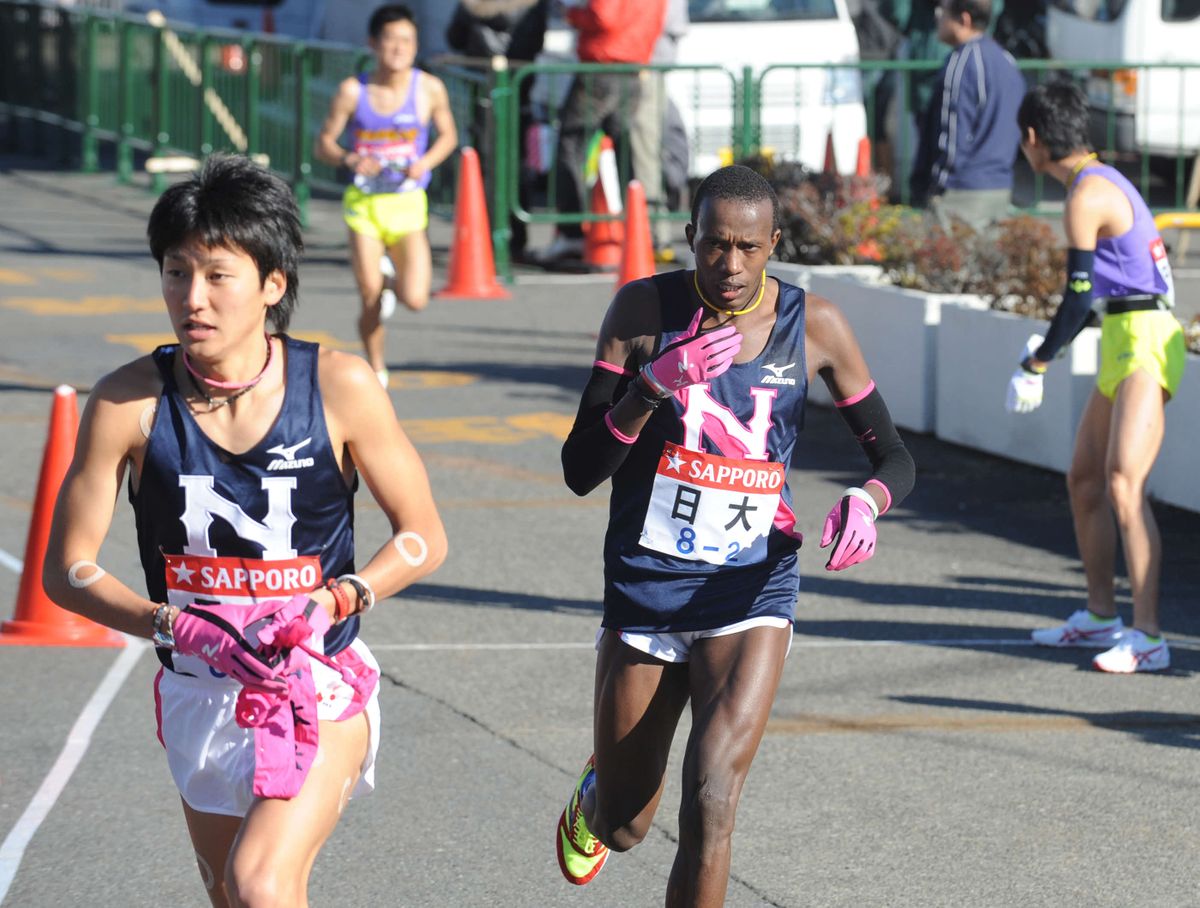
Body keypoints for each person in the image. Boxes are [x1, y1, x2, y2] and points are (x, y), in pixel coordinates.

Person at [43, 154, 449, 907]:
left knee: (260, 882)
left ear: (272, 284)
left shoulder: (339, 386)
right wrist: (170, 622)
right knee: (230, 894)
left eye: (217, 275)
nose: (191, 298)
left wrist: (338, 599)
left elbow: (423, 536)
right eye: (175, 272)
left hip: (312, 685)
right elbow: (66, 571)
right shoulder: (125, 403)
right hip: (198, 693)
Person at [554, 164, 915, 904]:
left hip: (752, 585)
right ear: (690, 238)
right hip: (647, 586)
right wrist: (651, 386)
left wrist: (869, 500)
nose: (729, 265)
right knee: (627, 826)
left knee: (713, 803)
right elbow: (580, 468)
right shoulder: (641, 311)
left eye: (748, 248)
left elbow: (895, 458)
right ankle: (598, 797)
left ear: (773, 244)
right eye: (715, 245)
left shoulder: (814, 328)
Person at [1009, 82, 1186, 673]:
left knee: (1122, 485)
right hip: (1123, 336)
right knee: (1085, 479)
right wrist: (1048, 349)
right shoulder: (1096, 179)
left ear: (1033, 139)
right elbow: (1097, 298)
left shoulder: (1086, 194)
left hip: (1146, 341)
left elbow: (1078, 295)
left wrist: (1038, 361)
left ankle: (1151, 636)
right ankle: (1101, 616)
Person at [315, 3, 458, 389]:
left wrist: (424, 162)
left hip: (408, 205)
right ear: (373, 44)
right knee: (369, 296)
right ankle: (377, 367)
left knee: (416, 298)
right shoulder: (353, 90)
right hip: (364, 207)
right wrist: (349, 157)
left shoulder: (428, 88)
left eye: (407, 41)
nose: (398, 48)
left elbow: (449, 136)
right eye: (390, 40)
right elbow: (323, 144)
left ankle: (392, 280)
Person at [534, 0, 667, 265]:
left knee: (570, 145)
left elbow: (602, 16)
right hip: (633, 68)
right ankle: (638, 231)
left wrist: (572, 15)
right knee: (626, 153)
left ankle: (571, 233)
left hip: (601, 65)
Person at [445, 0, 551, 262]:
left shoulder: (473, 5)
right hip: (518, 86)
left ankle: (490, 235)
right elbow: (535, 41)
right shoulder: (533, 5)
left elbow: (455, 37)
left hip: (486, 85)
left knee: (488, 165)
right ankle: (515, 237)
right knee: (516, 166)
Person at [909, 0, 1025, 231]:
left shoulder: (961, 64)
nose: (937, 17)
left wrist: (935, 188)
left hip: (961, 194)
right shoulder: (1006, 60)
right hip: (1000, 187)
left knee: (950, 264)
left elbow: (952, 136)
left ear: (964, 19)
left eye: (942, 12)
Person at [630, 0, 687, 262]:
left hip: (644, 66)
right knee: (648, 152)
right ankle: (650, 231)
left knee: (647, 154)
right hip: (645, 65)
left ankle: (655, 234)